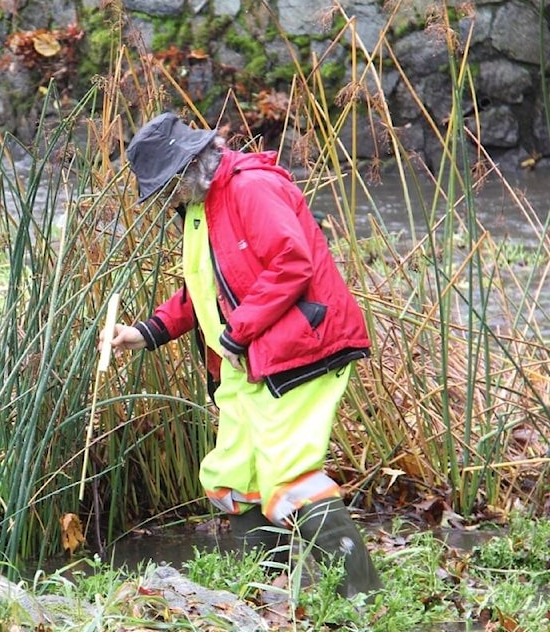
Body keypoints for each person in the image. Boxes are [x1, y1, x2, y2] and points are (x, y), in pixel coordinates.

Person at [106, 111, 382, 598]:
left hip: (299, 349)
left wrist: (237, 334)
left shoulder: (250, 188)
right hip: (248, 361)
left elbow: (292, 264)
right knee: (232, 475)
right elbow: (205, 287)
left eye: (165, 187)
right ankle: (270, 589)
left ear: (188, 166)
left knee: (289, 479)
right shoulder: (199, 206)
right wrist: (148, 332)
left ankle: (361, 596)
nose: (163, 199)